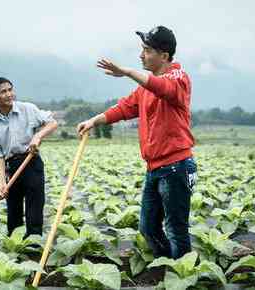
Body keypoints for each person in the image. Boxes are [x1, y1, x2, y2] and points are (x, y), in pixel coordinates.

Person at [77, 26, 197, 259]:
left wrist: (128, 71)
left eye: (147, 50)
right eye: (142, 49)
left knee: (176, 229)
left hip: (176, 167)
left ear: (164, 56)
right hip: (154, 168)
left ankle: (182, 274)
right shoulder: (145, 89)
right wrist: (94, 120)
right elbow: (123, 108)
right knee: (148, 228)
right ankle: (167, 268)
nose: (141, 55)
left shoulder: (178, 79)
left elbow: (162, 87)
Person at [0, 77, 58, 237]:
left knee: (35, 207)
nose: (9, 94)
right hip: (11, 165)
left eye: (10, 90)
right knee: (13, 210)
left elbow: (52, 123)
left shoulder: (28, 109)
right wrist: (1, 181)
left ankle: (33, 245)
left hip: (31, 161)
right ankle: (15, 247)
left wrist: (38, 135)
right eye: (3, 92)